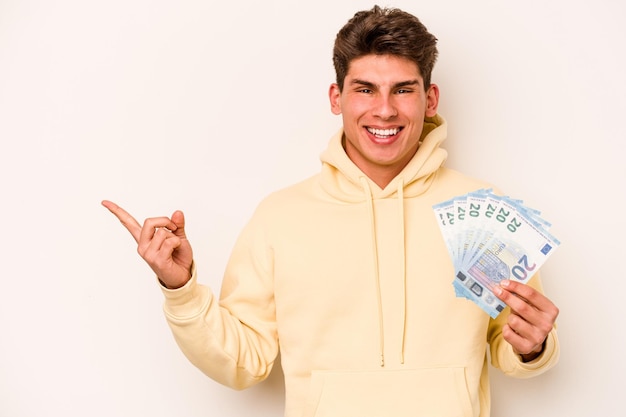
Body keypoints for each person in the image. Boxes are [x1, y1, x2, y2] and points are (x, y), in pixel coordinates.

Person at [102, 5, 559, 417]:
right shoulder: (280, 217)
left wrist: (533, 347)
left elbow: (510, 347)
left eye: (403, 90)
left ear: (430, 99)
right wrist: (179, 288)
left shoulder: (483, 211)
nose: (384, 110)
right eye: (365, 89)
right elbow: (243, 362)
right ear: (336, 98)